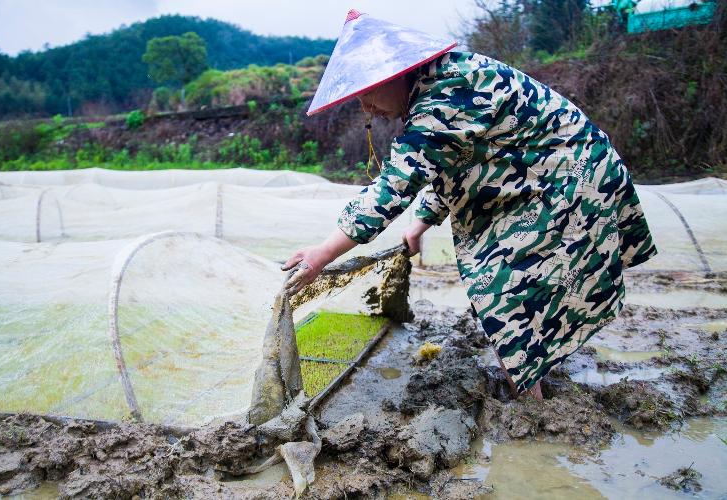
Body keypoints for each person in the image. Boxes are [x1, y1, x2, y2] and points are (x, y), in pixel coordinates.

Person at [282, 9, 657, 401]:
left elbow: (393, 186)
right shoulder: (438, 87)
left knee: (502, 286)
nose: (368, 109)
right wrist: (421, 223)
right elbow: (454, 165)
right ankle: (531, 379)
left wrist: (322, 253)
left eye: (368, 94)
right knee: (501, 283)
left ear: (393, 74)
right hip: (550, 180)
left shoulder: (446, 94)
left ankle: (531, 411)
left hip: (572, 180)